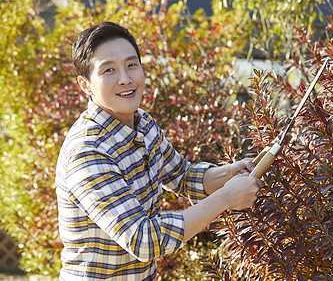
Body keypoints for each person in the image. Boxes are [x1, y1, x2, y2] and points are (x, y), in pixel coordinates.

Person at [55, 21, 263, 280]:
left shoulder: (142, 123)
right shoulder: (88, 152)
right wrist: (226, 199)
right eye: (109, 70)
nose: (125, 78)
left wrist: (230, 174)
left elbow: (183, 177)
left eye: (132, 65)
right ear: (85, 85)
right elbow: (144, 241)